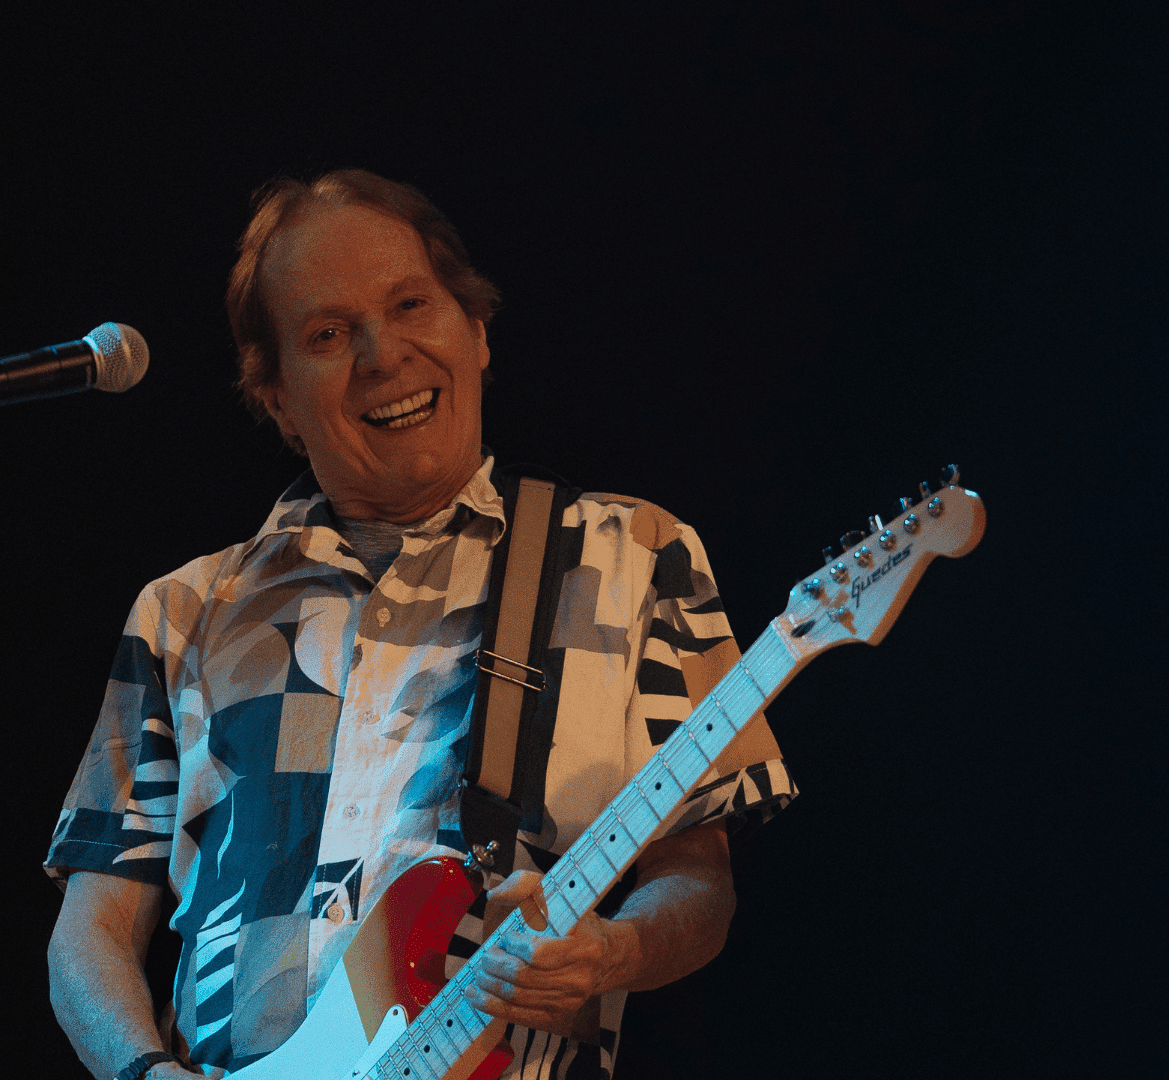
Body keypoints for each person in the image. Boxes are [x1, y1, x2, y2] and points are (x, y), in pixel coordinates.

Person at [45, 170, 795, 1080]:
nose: (381, 353)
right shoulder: (186, 610)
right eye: (327, 334)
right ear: (276, 396)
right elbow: (91, 929)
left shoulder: (635, 555)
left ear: (477, 332)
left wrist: (616, 954)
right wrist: (143, 1073)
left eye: (411, 305)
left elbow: (698, 877)